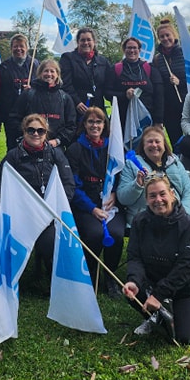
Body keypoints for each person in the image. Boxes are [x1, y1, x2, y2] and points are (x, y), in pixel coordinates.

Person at [122, 175, 190, 344]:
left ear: (172, 194)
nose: (158, 200)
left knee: (185, 337)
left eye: (162, 194)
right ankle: (156, 316)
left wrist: (158, 295)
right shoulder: (139, 221)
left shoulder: (188, 225)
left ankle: (164, 313)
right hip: (153, 282)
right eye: (152, 196)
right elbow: (134, 257)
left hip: (187, 287)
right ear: (146, 199)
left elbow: (186, 266)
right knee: (131, 290)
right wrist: (134, 280)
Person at [0, 114, 75, 274]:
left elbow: (68, 185)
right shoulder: (12, 156)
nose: (36, 134)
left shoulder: (56, 154)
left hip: (49, 213)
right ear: (24, 132)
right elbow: (0, 186)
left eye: (41, 131)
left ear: (46, 133)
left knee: (51, 242)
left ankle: (51, 274)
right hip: (21, 215)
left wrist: (54, 210)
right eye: (31, 130)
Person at [64, 107, 124, 293]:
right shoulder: (75, 149)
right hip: (86, 205)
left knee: (116, 234)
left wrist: (114, 193)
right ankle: (90, 271)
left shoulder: (112, 147)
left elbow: (120, 174)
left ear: (104, 125)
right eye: (90, 121)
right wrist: (91, 208)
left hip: (110, 202)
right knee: (94, 233)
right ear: (84, 125)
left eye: (99, 122)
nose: (95, 125)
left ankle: (110, 276)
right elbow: (74, 184)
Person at [117, 125, 190, 228]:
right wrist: (137, 185)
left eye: (157, 141)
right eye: (150, 142)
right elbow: (123, 198)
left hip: (176, 219)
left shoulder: (175, 162)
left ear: (164, 144)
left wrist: (184, 216)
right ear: (143, 146)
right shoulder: (131, 165)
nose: (154, 145)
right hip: (145, 223)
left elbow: (188, 191)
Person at [108, 36, 164, 138]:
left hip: (147, 119)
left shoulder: (150, 68)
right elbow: (107, 93)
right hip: (123, 119)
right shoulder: (116, 69)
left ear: (139, 50)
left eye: (135, 48)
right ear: (124, 50)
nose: (132, 50)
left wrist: (158, 120)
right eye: (129, 48)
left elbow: (159, 95)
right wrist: (124, 95)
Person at [14, 59, 76, 148]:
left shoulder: (65, 98)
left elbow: (71, 125)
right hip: (30, 146)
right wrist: (28, 136)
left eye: (52, 71)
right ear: (40, 74)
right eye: (46, 71)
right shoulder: (28, 94)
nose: (49, 74)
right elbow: (15, 118)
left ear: (57, 74)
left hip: (55, 147)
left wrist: (57, 141)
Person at [0, 33, 39, 151]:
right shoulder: (4, 67)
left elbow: (42, 88)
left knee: (32, 145)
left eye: (21, 46)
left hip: (31, 114)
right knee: (12, 147)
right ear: (11, 49)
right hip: (10, 115)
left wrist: (32, 89)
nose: (18, 49)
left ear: (27, 48)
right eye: (15, 46)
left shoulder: (35, 65)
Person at [59, 27, 111, 116]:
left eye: (88, 40)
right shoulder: (68, 59)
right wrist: (77, 102)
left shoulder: (103, 61)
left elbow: (109, 84)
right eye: (82, 40)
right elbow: (65, 84)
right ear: (78, 42)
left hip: (98, 109)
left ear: (94, 42)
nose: (86, 43)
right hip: (75, 109)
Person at [153, 18, 188, 148]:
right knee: (176, 142)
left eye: (168, 35)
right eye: (162, 36)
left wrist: (180, 82)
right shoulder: (157, 59)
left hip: (186, 105)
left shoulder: (185, 54)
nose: (165, 38)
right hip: (169, 109)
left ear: (174, 35)